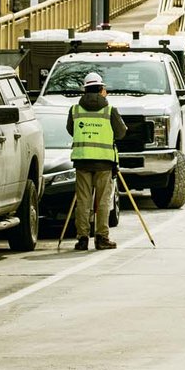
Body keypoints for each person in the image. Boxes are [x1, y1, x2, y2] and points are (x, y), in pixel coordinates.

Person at [67, 71, 126, 251]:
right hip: (104, 163)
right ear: (101, 89)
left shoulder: (75, 110)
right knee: (102, 202)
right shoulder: (109, 110)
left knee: (83, 201)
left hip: (82, 162)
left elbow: (71, 129)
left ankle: (82, 238)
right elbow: (121, 132)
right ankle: (101, 238)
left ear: (84, 90)